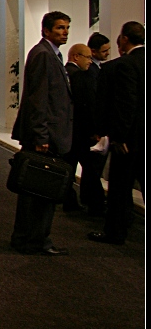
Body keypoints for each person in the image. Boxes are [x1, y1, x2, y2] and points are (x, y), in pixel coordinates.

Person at [10, 11, 73, 256]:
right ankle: (33, 240)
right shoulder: (43, 55)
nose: (64, 32)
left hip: (49, 134)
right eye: (59, 28)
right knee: (38, 191)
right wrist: (41, 136)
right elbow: (38, 99)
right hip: (44, 137)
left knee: (39, 191)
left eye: (66, 28)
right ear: (46, 30)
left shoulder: (51, 55)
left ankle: (32, 238)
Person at [89, 21, 145, 245]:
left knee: (120, 187)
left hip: (130, 139)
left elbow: (126, 104)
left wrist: (119, 136)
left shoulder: (123, 66)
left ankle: (116, 231)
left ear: (124, 39)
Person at [78, 32, 112, 215]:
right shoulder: (91, 73)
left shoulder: (96, 70)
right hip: (92, 130)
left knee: (91, 168)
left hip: (93, 128)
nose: (108, 54)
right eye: (104, 51)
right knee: (92, 168)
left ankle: (90, 199)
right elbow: (93, 102)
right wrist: (96, 129)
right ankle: (94, 202)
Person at [62, 43, 95, 212]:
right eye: (88, 57)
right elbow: (84, 106)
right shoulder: (79, 77)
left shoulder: (64, 72)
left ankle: (69, 200)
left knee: (69, 166)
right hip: (79, 132)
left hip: (68, 130)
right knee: (89, 167)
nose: (90, 61)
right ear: (76, 56)